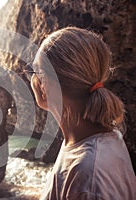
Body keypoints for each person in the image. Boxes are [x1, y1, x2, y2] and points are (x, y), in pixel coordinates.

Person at [24, 27, 136, 200]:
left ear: (45, 86)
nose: (32, 78)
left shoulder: (89, 178)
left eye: (35, 71)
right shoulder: (88, 138)